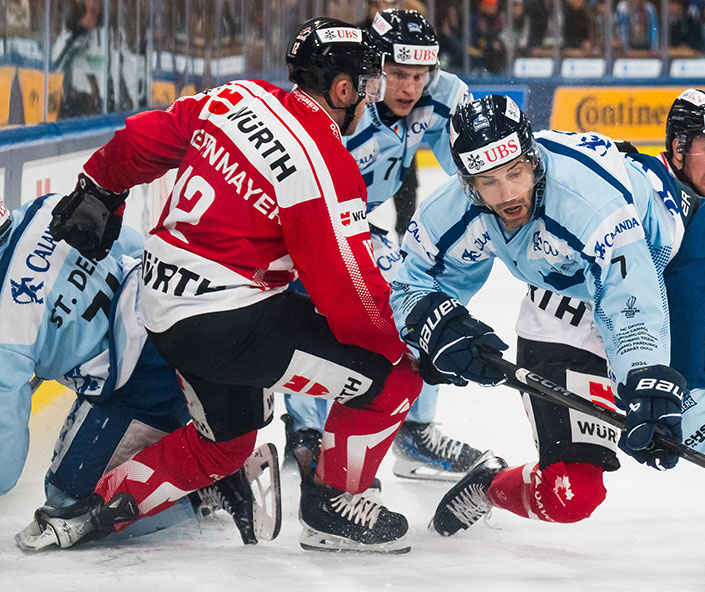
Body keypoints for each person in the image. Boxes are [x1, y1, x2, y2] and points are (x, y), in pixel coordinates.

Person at [393, 92, 705, 592]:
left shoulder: (586, 197)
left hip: (681, 260)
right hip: (565, 301)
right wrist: (431, 322)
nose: (505, 194)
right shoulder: (456, 206)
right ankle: (490, 484)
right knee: (570, 494)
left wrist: (648, 378)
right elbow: (410, 282)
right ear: (466, 182)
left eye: (515, 173)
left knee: (696, 405)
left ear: (532, 156)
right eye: (487, 183)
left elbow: (631, 299)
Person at [33, 18, 423, 554]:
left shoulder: (239, 95)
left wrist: (100, 183)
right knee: (396, 381)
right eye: (368, 85)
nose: (370, 98)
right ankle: (333, 506)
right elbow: (347, 290)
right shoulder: (324, 160)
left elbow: (146, 136)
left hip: (161, 307)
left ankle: (89, 511)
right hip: (228, 323)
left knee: (227, 444)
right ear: (342, 88)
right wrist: (404, 345)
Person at [1, 195, 277, 549]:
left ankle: (207, 485)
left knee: (69, 504)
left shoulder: (7, 329)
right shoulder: (48, 207)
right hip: (197, 322)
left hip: (150, 379)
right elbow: (141, 247)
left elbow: (4, 471)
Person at [283, 8, 484, 484]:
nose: (410, 87)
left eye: (420, 75)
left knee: (427, 297)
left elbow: (473, 163)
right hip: (308, 218)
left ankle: (413, 427)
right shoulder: (339, 105)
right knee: (314, 308)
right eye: (397, 74)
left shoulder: (445, 94)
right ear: (371, 70)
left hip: (362, 218)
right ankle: (306, 429)